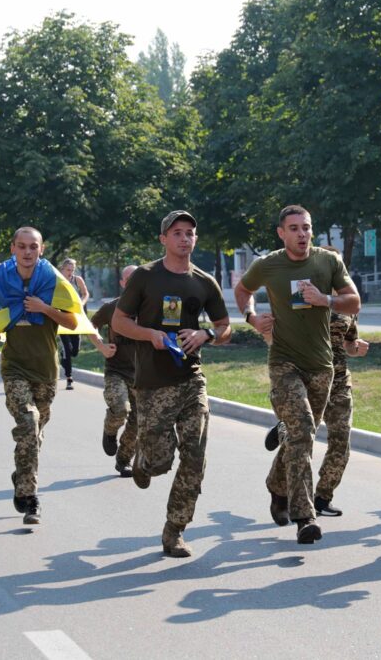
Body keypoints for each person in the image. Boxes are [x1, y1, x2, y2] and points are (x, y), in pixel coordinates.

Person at [234, 205, 360, 544]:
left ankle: (277, 486)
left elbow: (354, 302)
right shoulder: (267, 265)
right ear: (281, 233)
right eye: (294, 228)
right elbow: (243, 291)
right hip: (284, 362)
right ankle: (304, 516)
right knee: (302, 431)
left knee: (299, 436)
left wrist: (325, 299)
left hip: (322, 366)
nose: (302, 234)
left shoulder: (327, 261)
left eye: (306, 227)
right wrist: (251, 317)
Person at [112, 211, 231, 557]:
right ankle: (144, 462)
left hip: (191, 379)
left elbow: (225, 326)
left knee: (195, 457)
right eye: (177, 233)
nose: (184, 238)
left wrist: (206, 334)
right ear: (163, 239)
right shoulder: (145, 276)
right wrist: (150, 335)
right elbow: (119, 322)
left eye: (190, 233)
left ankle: (175, 529)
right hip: (153, 383)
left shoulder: (204, 282)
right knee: (161, 461)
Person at [0, 227, 81, 525]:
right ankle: (30, 498)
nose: (27, 252)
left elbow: (72, 322)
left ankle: (21, 474)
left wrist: (44, 308)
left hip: (46, 371)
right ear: (13, 248)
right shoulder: (0, 281)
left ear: (41, 249)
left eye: (33, 246)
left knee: (34, 436)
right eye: (21, 246)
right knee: (27, 424)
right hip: (15, 368)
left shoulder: (53, 281)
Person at [264, 247, 370, 518]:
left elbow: (349, 342)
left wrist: (356, 348)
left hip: (339, 381)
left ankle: (322, 497)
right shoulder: (302, 294)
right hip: (308, 377)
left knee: (341, 440)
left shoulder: (348, 303)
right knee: (301, 439)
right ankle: (278, 486)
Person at [91, 264, 138, 477]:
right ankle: (110, 430)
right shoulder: (112, 308)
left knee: (138, 421)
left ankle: (124, 460)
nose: (133, 284)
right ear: (122, 283)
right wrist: (101, 346)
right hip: (116, 370)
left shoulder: (150, 308)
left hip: (142, 374)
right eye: (129, 280)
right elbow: (91, 326)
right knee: (120, 409)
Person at [58, 258, 90, 390]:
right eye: (68, 270)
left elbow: (85, 293)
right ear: (62, 269)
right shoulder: (57, 281)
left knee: (75, 351)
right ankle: (69, 378)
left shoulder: (77, 280)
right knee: (67, 347)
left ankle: (63, 358)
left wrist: (81, 303)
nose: (70, 272)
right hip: (61, 317)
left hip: (75, 316)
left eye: (72, 270)